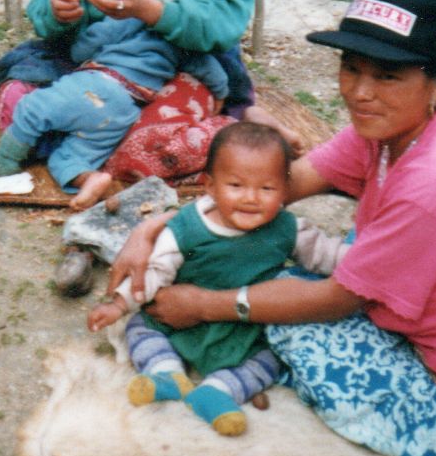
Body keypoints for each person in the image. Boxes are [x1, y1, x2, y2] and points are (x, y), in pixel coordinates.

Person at [109, 0, 436, 456]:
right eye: (352, 67)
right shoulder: (389, 131)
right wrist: (157, 228)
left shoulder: (434, 178)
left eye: (387, 76)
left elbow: (339, 298)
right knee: (327, 256)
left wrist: (203, 304)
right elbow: (276, 185)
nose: (360, 93)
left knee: (284, 308)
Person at [86, 122, 345, 436]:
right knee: (138, 327)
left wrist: (366, 261)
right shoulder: (188, 227)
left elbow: (327, 255)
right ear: (209, 185)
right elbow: (156, 271)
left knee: (273, 358)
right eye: (236, 185)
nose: (251, 198)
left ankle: (218, 392)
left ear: (285, 189)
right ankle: (166, 373)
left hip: (246, 326)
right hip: (178, 317)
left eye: (267, 188)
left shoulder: (289, 229)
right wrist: (118, 304)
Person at [0, 0, 229, 207]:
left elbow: (85, 47)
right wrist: (220, 94)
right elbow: (209, 67)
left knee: (32, 107)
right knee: (68, 158)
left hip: (97, 86)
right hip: (126, 110)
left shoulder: (127, 16)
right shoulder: (179, 33)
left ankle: (3, 159)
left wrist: (80, 43)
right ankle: (89, 179)